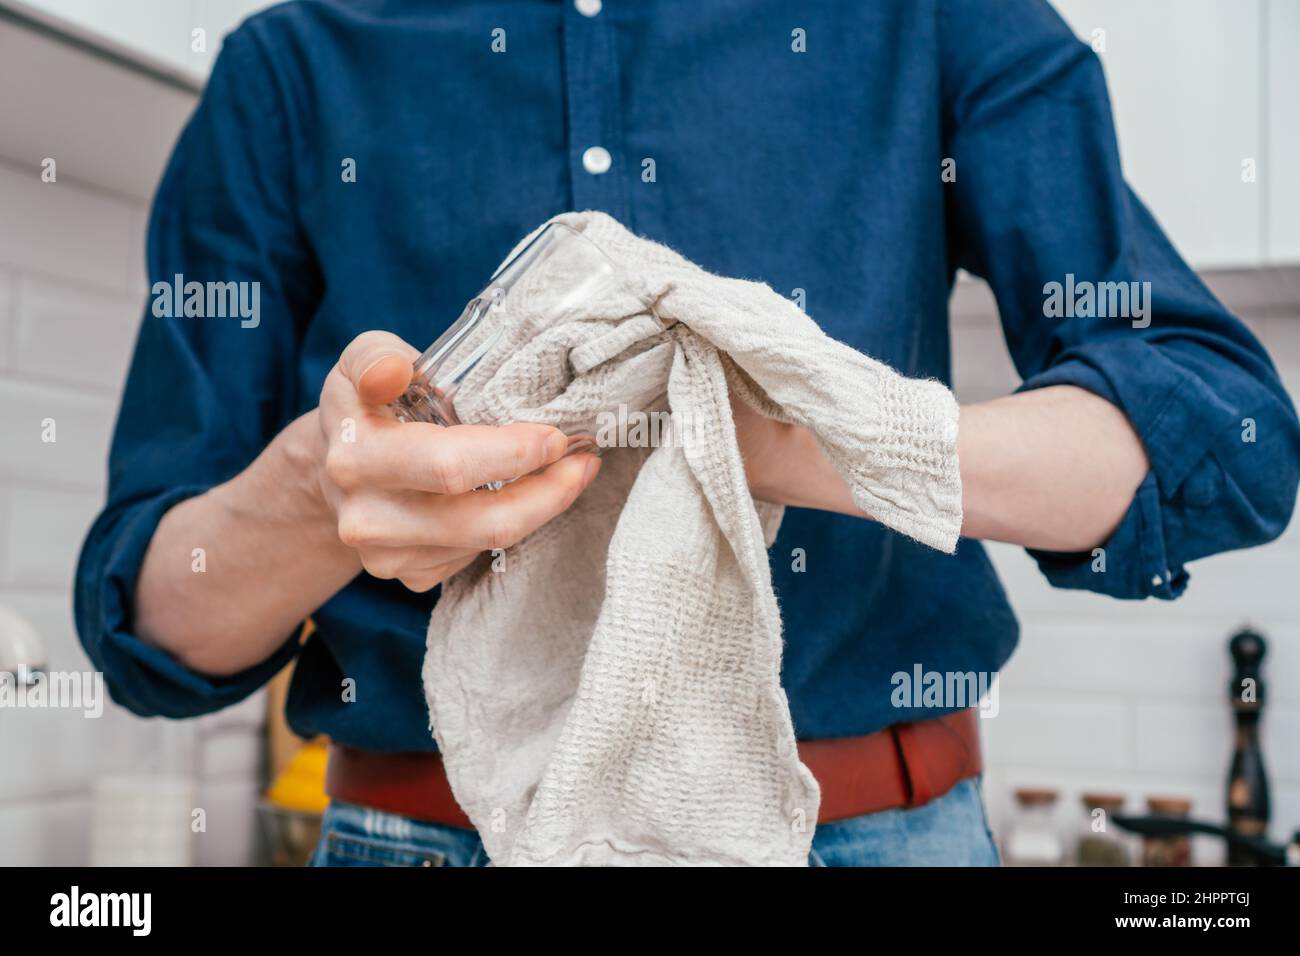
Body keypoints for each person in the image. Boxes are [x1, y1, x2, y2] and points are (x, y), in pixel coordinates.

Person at [76, 0, 1299, 867]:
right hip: (425, 837)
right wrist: (315, 490)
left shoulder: (927, 18)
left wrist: (761, 425)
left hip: (877, 836)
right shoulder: (290, 70)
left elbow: (1227, 432)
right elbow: (149, 619)